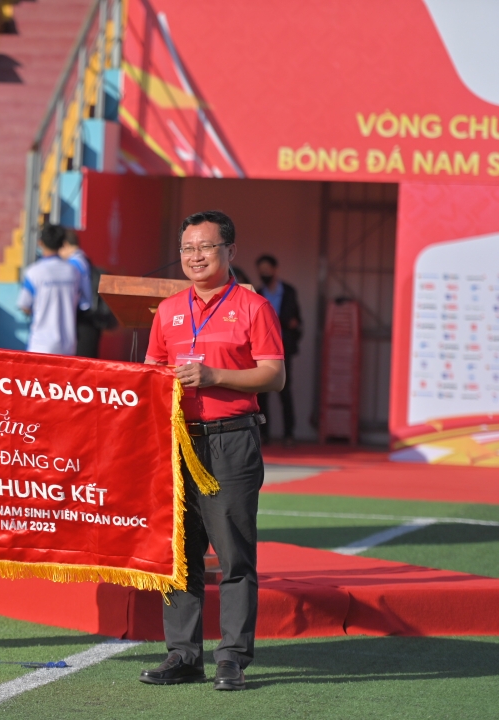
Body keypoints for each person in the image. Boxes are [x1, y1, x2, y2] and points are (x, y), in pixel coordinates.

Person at [141, 210, 285, 692]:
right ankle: (183, 654)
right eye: (187, 248)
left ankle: (233, 657)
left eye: (205, 247)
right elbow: (153, 372)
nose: (194, 256)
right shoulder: (168, 310)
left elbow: (274, 375)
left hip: (231, 440)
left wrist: (215, 377)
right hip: (178, 441)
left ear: (230, 252)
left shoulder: (253, 306)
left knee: (233, 555)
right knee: (178, 554)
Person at [255, 254, 302, 447]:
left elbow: (295, 320)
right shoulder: (258, 293)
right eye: (261, 270)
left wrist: (279, 320)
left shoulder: (289, 291)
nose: (264, 273)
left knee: (284, 391)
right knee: (261, 393)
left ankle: (288, 434)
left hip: (283, 348)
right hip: (261, 349)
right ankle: (264, 433)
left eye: (268, 269)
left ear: (275, 269)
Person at [17, 224, 81, 355]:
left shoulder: (34, 272)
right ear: (63, 244)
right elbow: (82, 301)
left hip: (41, 344)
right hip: (68, 345)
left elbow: (24, 305)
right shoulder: (73, 271)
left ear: (40, 243)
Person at [58, 230, 97, 357]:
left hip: (82, 320)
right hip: (88, 320)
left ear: (65, 245)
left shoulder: (73, 265)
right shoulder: (84, 260)